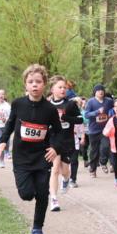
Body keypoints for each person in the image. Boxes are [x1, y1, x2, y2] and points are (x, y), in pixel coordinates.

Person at [0, 64, 63, 234]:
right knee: (26, 194)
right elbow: (10, 125)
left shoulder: (49, 109)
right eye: (31, 82)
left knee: (42, 193)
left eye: (38, 82)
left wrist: (55, 148)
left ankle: (37, 229)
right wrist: (3, 141)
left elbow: (58, 132)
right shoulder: (18, 104)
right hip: (22, 158)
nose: (35, 85)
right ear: (25, 85)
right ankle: (30, 190)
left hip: (42, 157)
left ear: (44, 85)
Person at [46, 76, 82, 209]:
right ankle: (54, 199)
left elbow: (80, 120)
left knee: (65, 171)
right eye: (59, 87)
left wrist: (66, 117)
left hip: (67, 141)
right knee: (55, 169)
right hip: (53, 140)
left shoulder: (70, 104)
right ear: (52, 89)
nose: (63, 90)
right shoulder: (47, 105)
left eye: (64, 88)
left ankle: (66, 180)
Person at [84, 85, 114, 177]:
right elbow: (86, 115)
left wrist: (111, 114)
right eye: (98, 90)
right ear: (95, 92)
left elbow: (114, 109)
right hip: (93, 130)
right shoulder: (91, 102)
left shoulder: (108, 101)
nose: (101, 92)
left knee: (105, 146)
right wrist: (97, 112)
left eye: (102, 90)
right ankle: (93, 170)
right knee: (94, 151)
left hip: (105, 129)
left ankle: (102, 162)